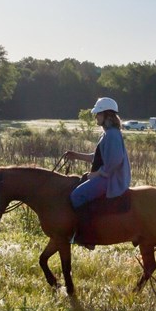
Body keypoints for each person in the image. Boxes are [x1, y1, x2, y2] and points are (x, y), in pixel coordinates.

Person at [63, 97, 132, 246]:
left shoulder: (112, 134)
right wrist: (76, 155)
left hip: (111, 180)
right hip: (107, 176)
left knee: (77, 196)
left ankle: (87, 236)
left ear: (107, 115)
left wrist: (98, 173)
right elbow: (98, 158)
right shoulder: (109, 133)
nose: (96, 116)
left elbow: (114, 161)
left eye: (98, 114)